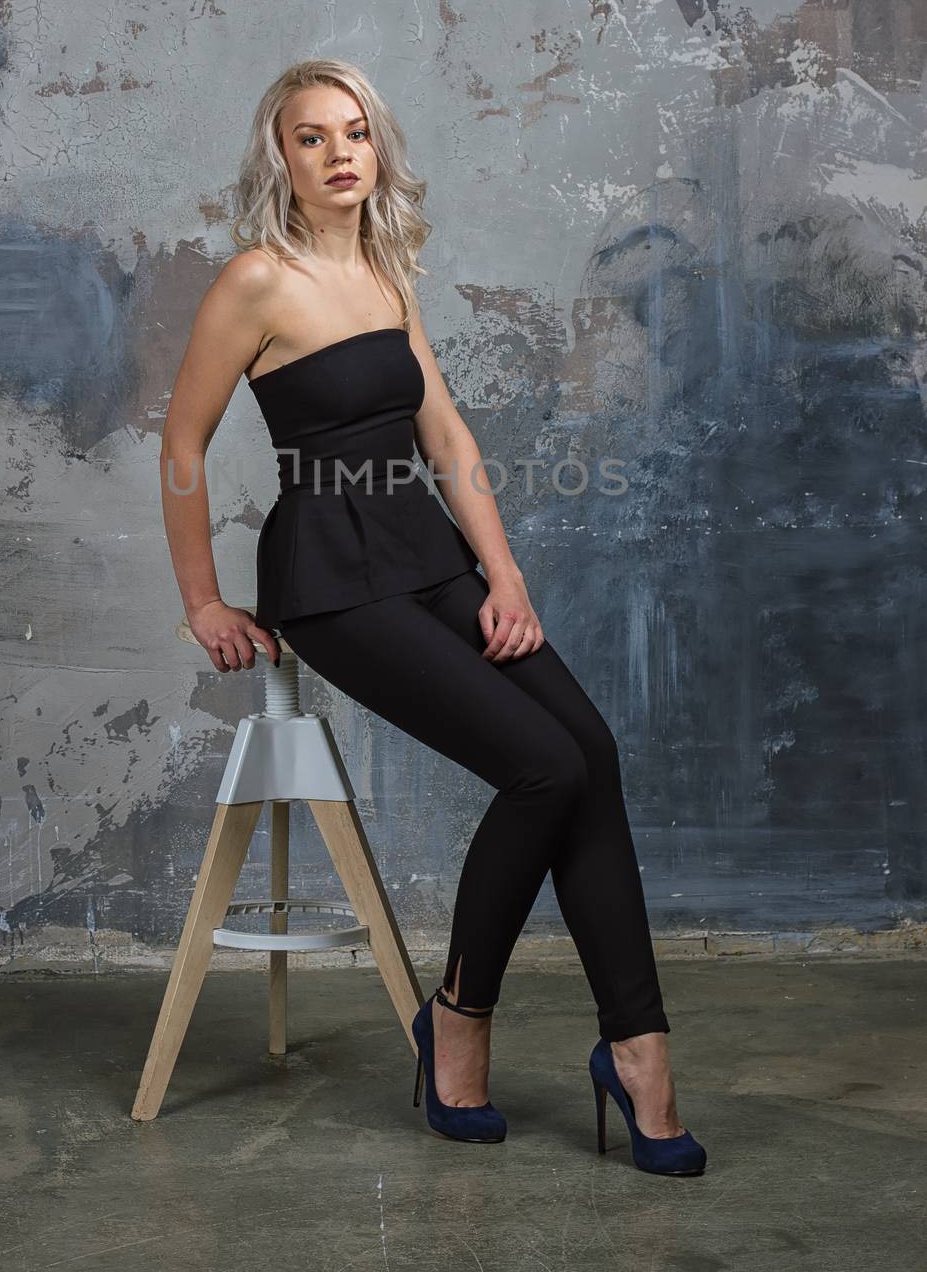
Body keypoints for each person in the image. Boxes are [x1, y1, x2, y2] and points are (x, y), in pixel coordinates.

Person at [159, 58, 705, 1172]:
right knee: (540, 767)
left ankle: (635, 1046)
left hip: (428, 556)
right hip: (332, 582)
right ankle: (458, 1016)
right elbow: (179, 444)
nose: (338, 152)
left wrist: (504, 577)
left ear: (377, 147)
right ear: (282, 160)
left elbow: (445, 439)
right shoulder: (253, 283)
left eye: (353, 131)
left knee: (587, 751)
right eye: (311, 137)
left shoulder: (385, 269)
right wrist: (202, 600)